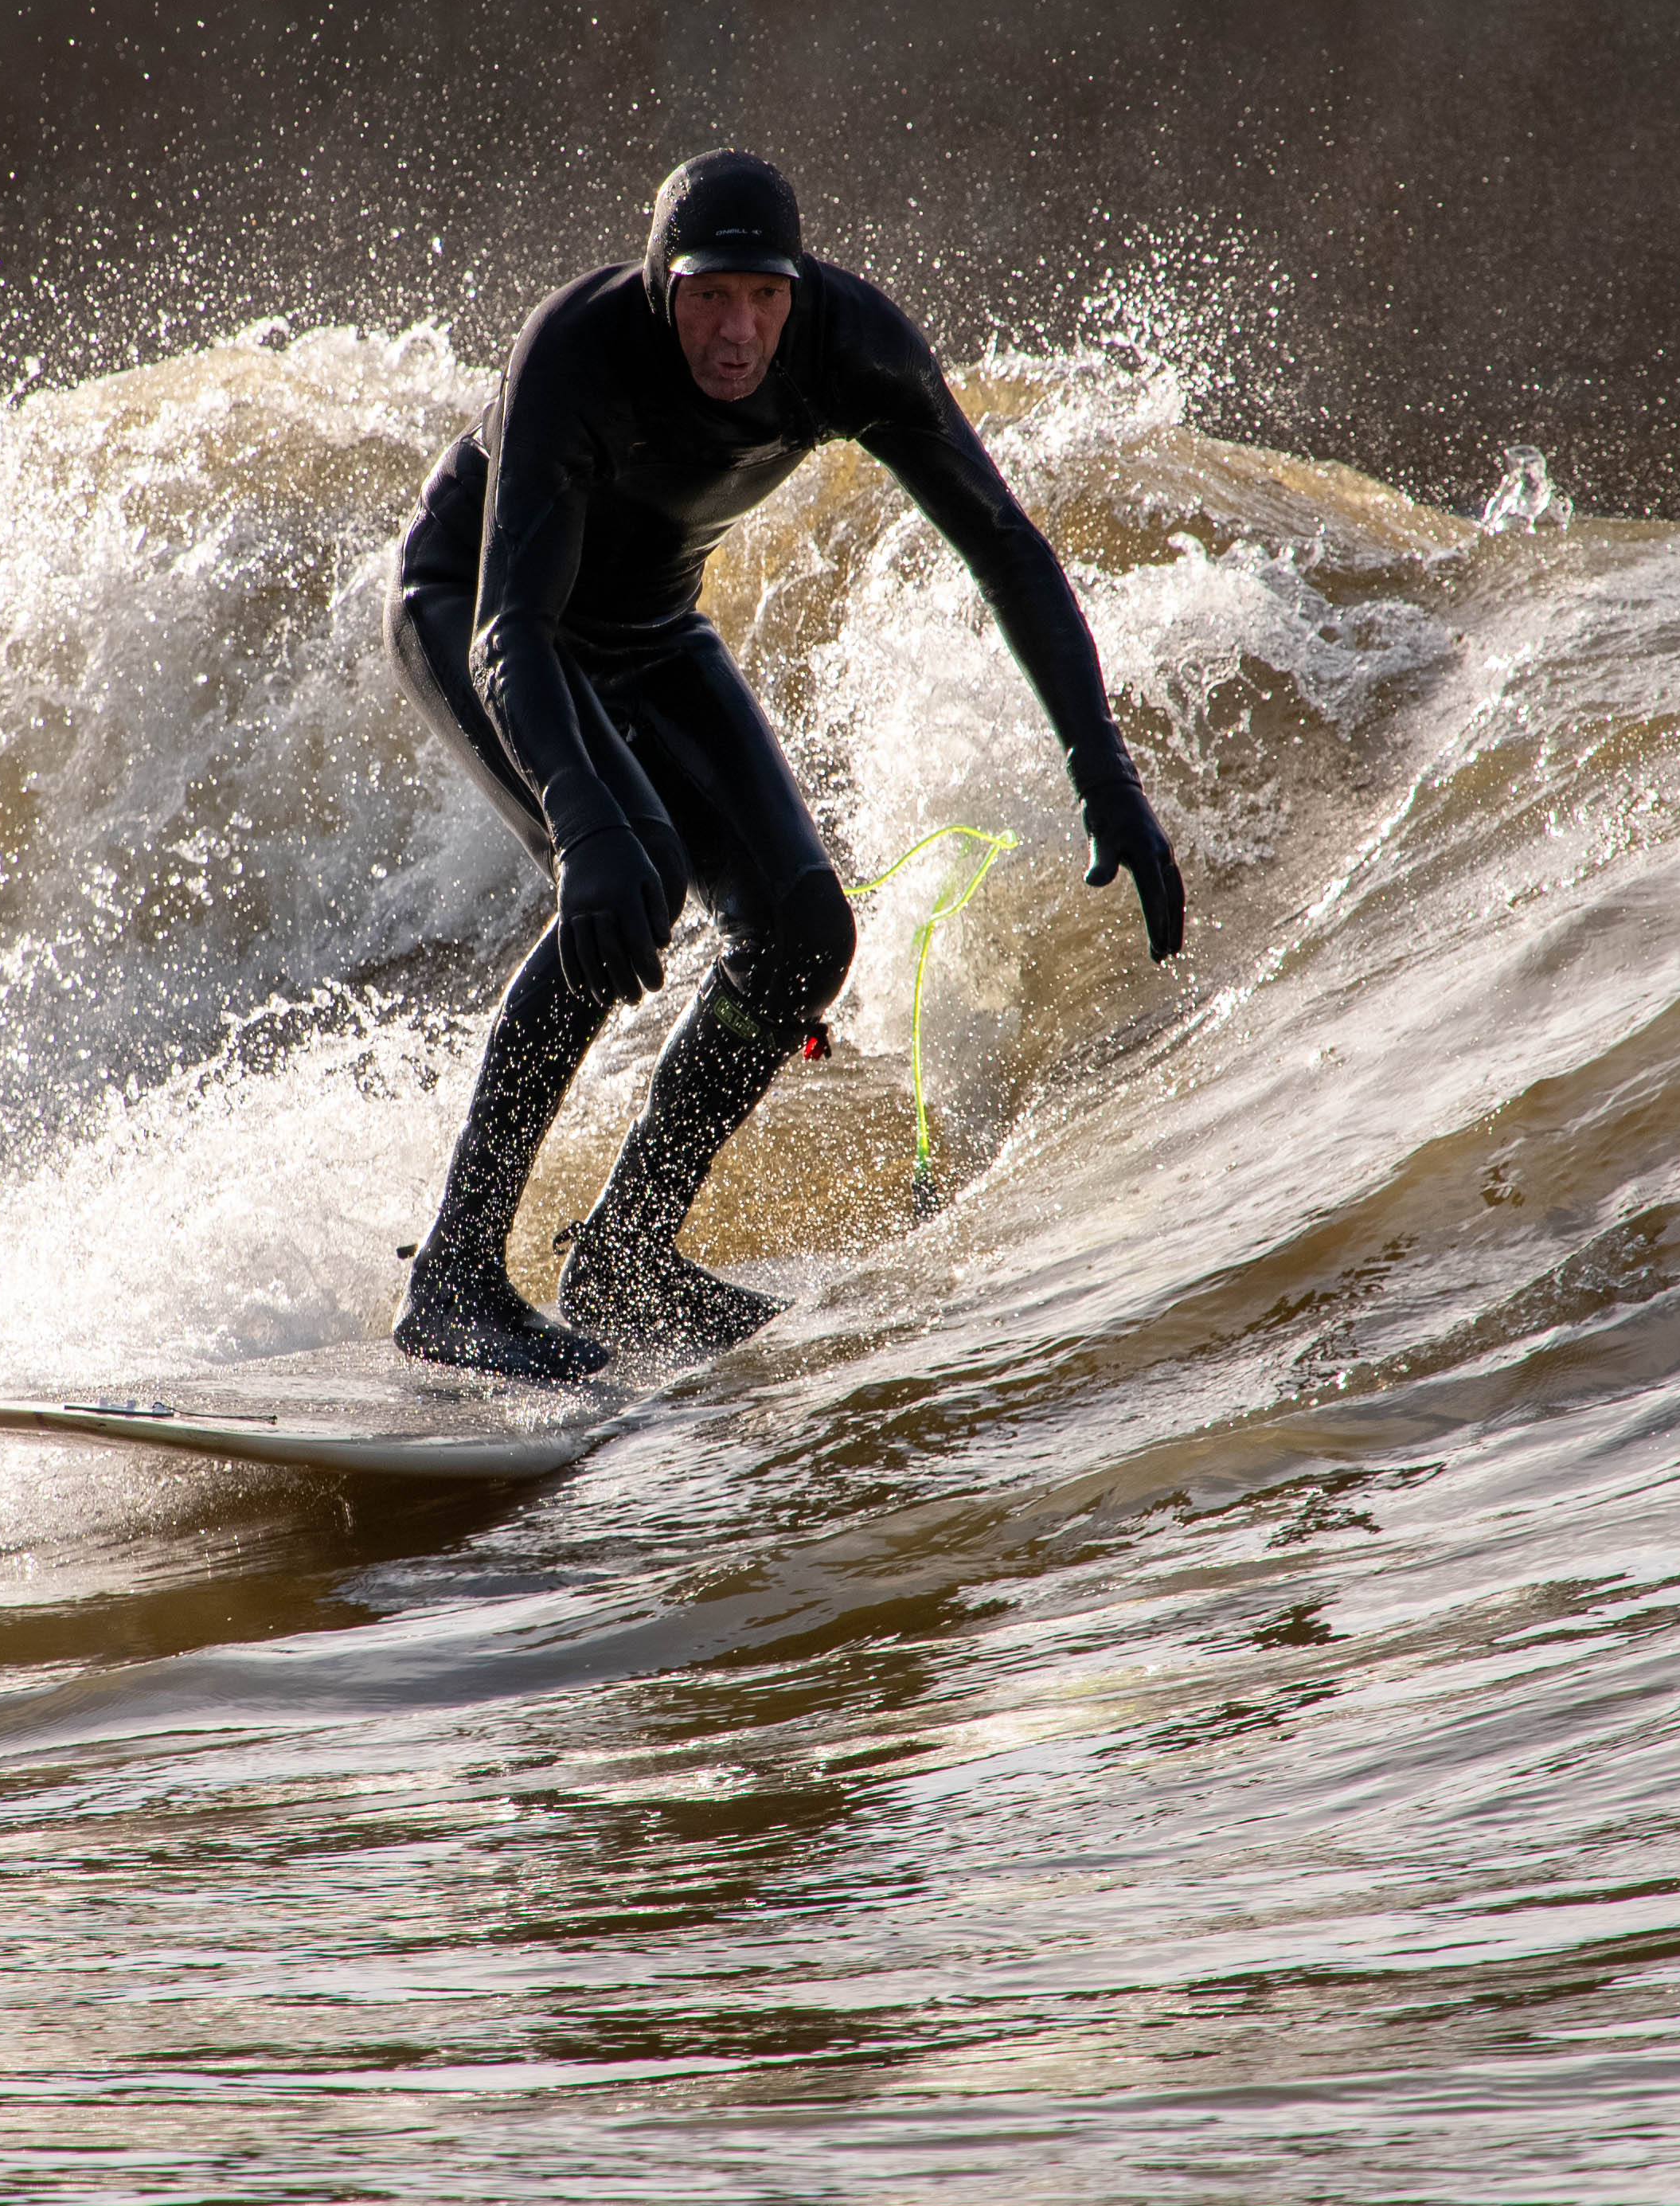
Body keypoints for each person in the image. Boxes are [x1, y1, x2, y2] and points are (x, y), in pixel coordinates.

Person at [387, 149, 1186, 1380]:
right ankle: (454, 1278)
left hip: (651, 629)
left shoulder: (852, 347)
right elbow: (509, 631)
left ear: (797, 287)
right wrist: (586, 827)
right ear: (663, 285)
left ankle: (627, 1256)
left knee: (805, 932)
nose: (738, 330)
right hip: (481, 612)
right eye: (709, 295)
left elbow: (1007, 551)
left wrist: (1104, 775)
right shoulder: (578, 353)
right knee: (633, 881)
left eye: (763, 295)